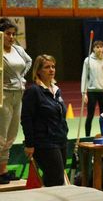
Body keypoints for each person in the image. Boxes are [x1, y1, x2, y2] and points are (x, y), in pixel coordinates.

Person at [21, 54, 69, 187]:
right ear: (38, 71)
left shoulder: (56, 91)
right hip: (44, 143)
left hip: (60, 141)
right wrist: (29, 144)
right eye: (47, 67)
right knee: (56, 179)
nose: (51, 70)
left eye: (53, 66)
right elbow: (26, 119)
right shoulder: (33, 91)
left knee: (54, 179)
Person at [0, 18, 32, 184]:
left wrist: (20, 77)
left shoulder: (18, 50)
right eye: (7, 34)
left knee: (11, 135)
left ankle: (3, 170)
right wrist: (7, 80)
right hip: (3, 95)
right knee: (1, 136)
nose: (11, 37)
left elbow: (29, 61)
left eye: (13, 34)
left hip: (18, 95)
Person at [81, 40, 103, 137]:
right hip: (92, 92)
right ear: (93, 49)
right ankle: (87, 136)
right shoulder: (87, 60)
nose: (99, 49)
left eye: (101, 47)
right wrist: (83, 93)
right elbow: (84, 77)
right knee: (90, 116)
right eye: (97, 47)